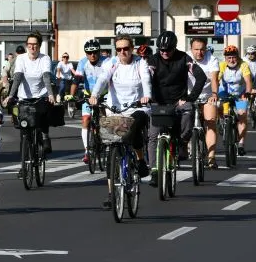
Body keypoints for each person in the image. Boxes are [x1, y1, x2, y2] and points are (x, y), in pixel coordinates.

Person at [90, 35, 152, 209]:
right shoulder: (111, 63)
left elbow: (146, 79)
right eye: (119, 49)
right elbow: (103, 79)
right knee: (112, 150)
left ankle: (140, 160)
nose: (122, 52)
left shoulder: (140, 63)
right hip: (115, 109)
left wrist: (147, 95)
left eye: (126, 48)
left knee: (135, 126)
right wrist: (94, 95)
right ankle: (111, 194)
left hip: (137, 107)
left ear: (132, 49)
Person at [146, 31, 207, 187]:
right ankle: (154, 171)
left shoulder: (184, 58)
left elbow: (201, 77)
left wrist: (190, 97)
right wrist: (147, 96)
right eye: (161, 50)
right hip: (158, 103)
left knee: (189, 110)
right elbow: (146, 76)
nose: (164, 52)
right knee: (153, 136)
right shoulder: (153, 60)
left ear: (174, 47)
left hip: (178, 101)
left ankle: (183, 143)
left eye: (168, 50)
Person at [6, 31, 56, 162]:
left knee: (43, 116)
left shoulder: (45, 58)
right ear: (26, 45)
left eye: (35, 44)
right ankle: (24, 164)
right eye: (29, 44)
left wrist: (50, 94)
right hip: (24, 97)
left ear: (39, 45)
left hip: (41, 96)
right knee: (24, 131)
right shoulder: (21, 59)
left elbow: (46, 77)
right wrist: (10, 96)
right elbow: (17, 77)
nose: (32, 47)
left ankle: (45, 136)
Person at [73, 38, 110, 164]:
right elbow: (76, 80)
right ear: (86, 53)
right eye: (89, 53)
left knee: (105, 120)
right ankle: (87, 151)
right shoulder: (83, 62)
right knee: (86, 119)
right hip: (88, 96)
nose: (92, 55)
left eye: (95, 52)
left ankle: (108, 144)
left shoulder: (106, 61)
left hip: (104, 95)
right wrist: (71, 95)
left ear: (99, 52)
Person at [189, 37, 220, 169]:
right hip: (189, 96)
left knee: (210, 121)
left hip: (207, 96)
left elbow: (214, 79)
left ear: (206, 49)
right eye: (196, 49)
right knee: (183, 120)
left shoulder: (212, 59)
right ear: (191, 49)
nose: (199, 52)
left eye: (202, 49)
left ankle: (211, 157)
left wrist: (214, 94)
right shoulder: (185, 58)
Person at [217, 45, 253, 157]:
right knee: (218, 107)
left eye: (234, 57)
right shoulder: (222, 65)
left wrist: (248, 93)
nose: (231, 60)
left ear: (237, 57)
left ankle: (241, 144)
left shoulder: (243, 65)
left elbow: (248, 81)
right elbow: (217, 79)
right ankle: (222, 121)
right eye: (229, 58)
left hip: (240, 93)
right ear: (225, 58)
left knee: (242, 115)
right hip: (225, 92)